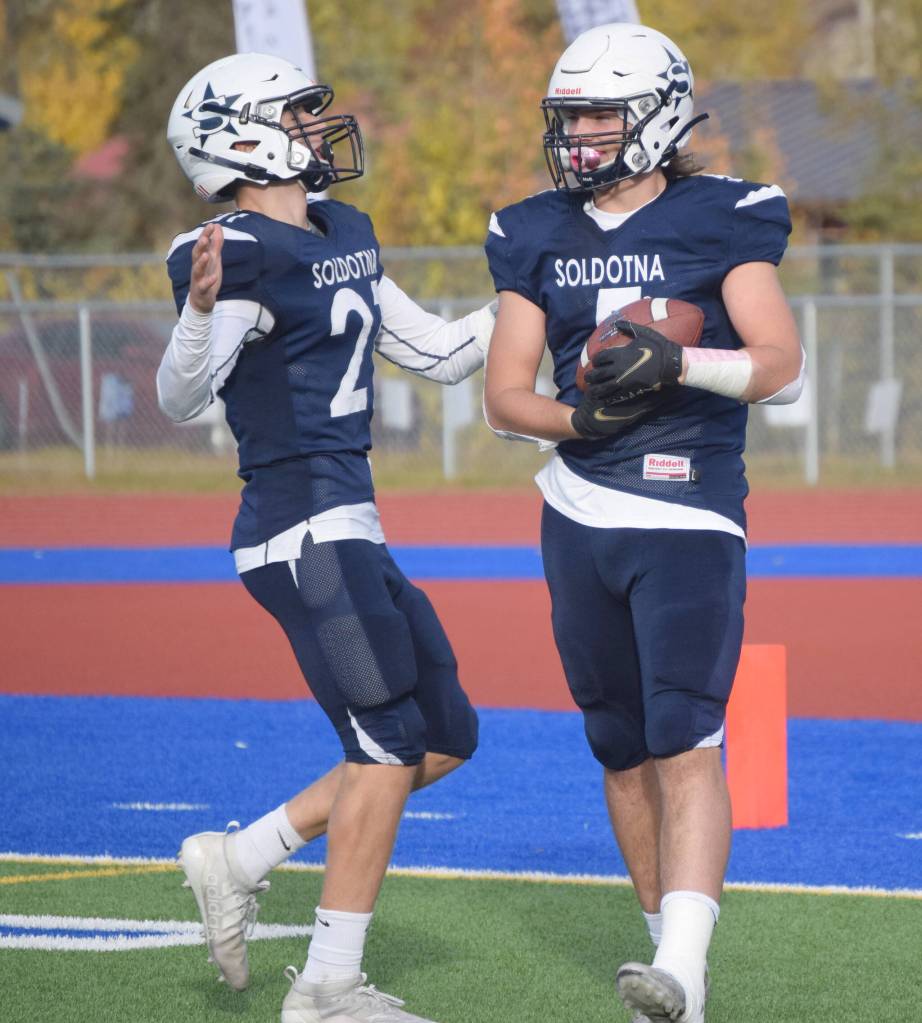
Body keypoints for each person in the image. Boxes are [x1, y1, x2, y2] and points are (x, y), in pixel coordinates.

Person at [158, 52, 496, 1023]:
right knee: (388, 744)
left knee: (444, 737)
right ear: (241, 135)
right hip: (297, 529)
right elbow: (180, 400)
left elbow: (435, 352)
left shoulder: (341, 232)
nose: (318, 128)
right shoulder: (233, 250)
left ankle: (243, 855)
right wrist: (196, 310)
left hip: (348, 526)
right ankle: (326, 988)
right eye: (299, 114)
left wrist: (534, 298)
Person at [483, 23, 803, 1023]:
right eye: (567, 118)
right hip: (576, 508)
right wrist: (584, 417)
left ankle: (687, 969)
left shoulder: (723, 218)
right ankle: (664, 959)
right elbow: (504, 395)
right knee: (617, 746)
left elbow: (777, 364)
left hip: (689, 509)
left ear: (658, 117)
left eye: (596, 117)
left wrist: (681, 367)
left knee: (687, 736)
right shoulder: (533, 230)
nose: (576, 137)